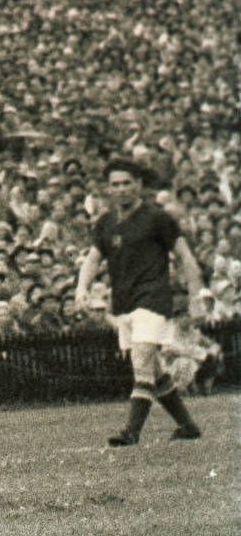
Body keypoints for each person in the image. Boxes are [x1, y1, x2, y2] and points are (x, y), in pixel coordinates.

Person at [75, 160, 205, 446]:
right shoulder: (106, 222)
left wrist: (196, 296)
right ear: (109, 188)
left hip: (153, 298)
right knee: (154, 371)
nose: (121, 189)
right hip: (125, 303)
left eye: (127, 183)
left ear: (139, 185)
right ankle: (187, 425)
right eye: (115, 184)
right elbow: (93, 259)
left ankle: (131, 431)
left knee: (141, 360)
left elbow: (185, 256)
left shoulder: (158, 218)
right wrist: (81, 288)